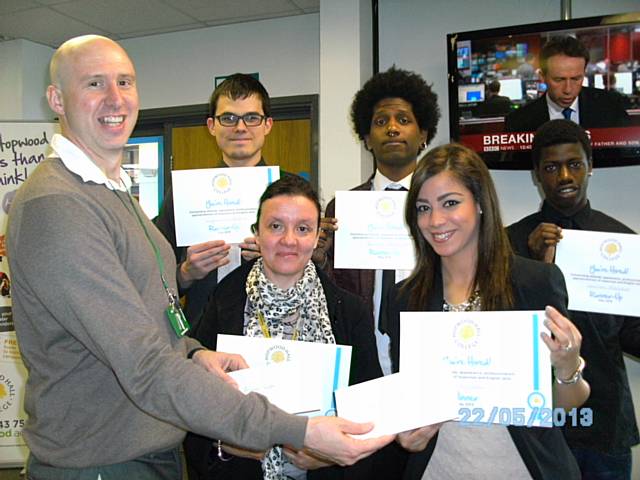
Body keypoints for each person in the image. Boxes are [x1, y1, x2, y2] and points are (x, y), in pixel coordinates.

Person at [6, 34, 391, 479]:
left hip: (144, 449)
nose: (115, 99)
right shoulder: (58, 205)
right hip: (102, 462)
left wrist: (191, 354)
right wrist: (296, 430)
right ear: (56, 98)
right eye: (94, 84)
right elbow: (144, 363)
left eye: (125, 82)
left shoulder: (112, 195)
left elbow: (149, 317)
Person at [387, 143, 590, 479]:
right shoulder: (406, 298)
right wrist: (407, 434)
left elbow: (564, 406)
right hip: (440, 471)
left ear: (480, 204)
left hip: (522, 470)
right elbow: (409, 403)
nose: (435, 220)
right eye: (423, 208)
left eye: (450, 203)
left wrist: (568, 368)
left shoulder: (535, 282)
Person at [186, 175, 383, 479]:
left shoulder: (350, 310)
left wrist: (329, 458)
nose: (289, 240)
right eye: (275, 226)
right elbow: (192, 401)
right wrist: (223, 446)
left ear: (318, 236)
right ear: (257, 233)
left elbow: (370, 416)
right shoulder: (224, 299)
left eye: (303, 228)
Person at [507, 119, 640, 479]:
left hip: (605, 424)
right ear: (536, 174)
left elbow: (633, 337)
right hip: (536, 423)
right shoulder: (509, 243)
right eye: (551, 167)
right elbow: (500, 329)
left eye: (575, 164)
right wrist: (531, 267)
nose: (564, 175)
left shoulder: (622, 241)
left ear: (590, 168)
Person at [316, 66, 440, 377]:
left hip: (431, 344)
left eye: (404, 120)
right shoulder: (342, 207)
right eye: (381, 122)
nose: (392, 129)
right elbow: (332, 290)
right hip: (364, 347)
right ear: (367, 138)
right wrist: (319, 258)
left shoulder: (441, 205)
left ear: (423, 134)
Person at [155, 73, 280, 329]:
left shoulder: (290, 195)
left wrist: (275, 259)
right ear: (212, 125)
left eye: (252, 118)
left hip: (276, 331)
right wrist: (186, 273)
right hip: (202, 335)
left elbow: (314, 272)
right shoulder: (184, 195)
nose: (240, 127)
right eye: (229, 118)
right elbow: (155, 279)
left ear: (267, 125)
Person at [505, 36, 630, 132]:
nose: (568, 90)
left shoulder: (611, 106)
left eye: (576, 79)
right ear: (542, 77)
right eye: (559, 80)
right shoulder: (518, 121)